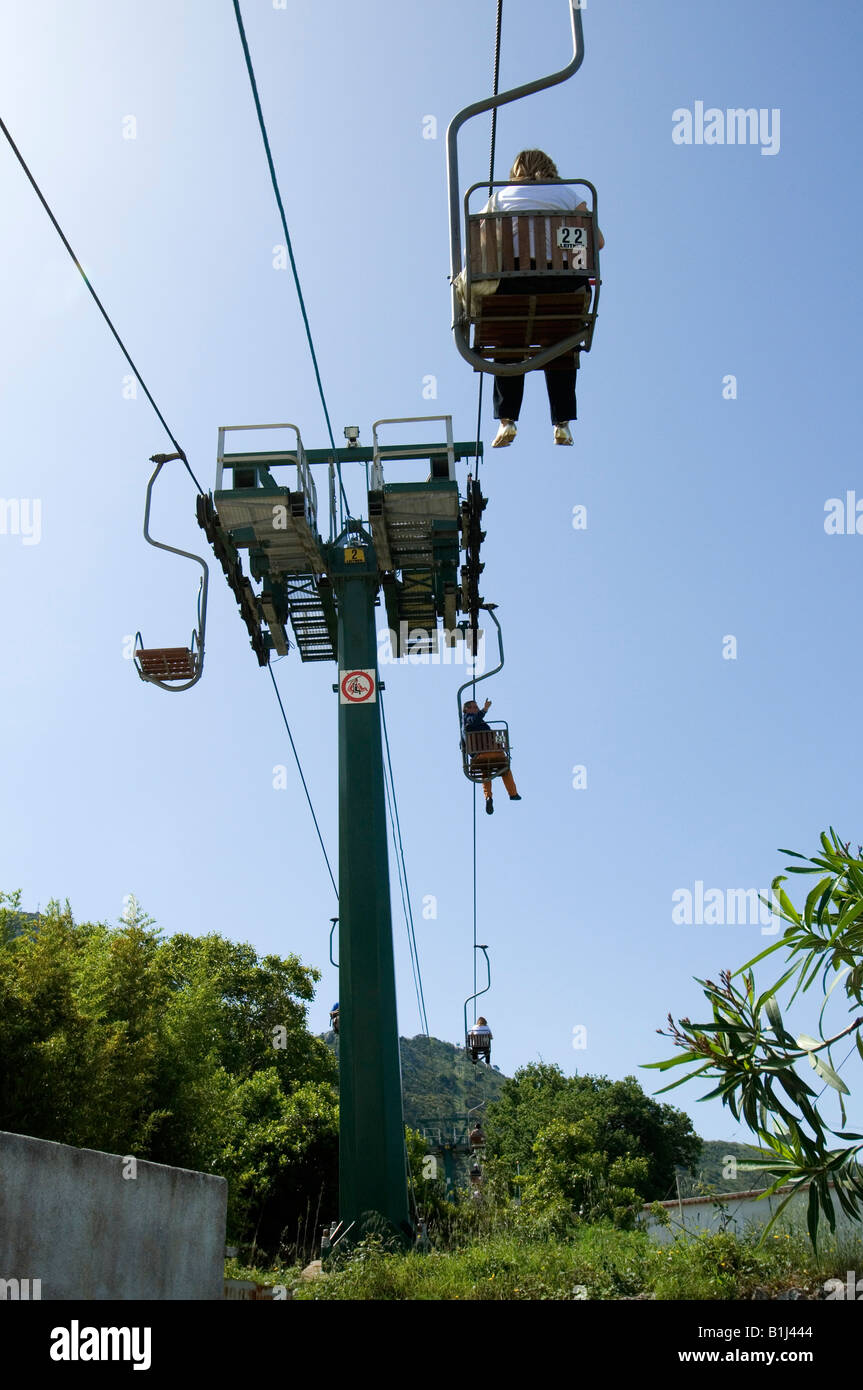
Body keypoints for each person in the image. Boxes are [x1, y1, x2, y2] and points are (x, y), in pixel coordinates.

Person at [482, 149, 605, 449]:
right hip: (562, 288)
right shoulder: (567, 193)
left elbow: (481, 243)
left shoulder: (501, 198)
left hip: (512, 288)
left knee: (507, 338)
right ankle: (561, 424)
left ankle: (507, 419)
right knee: (560, 342)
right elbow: (596, 241)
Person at [462, 697, 521, 815]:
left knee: (485, 771)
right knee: (505, 769)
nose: (477, 709)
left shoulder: (465, 727)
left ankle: (488, 797)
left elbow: (462, 745)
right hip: (493, 753)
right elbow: (477, 720)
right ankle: (513, 793)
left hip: (479, 757)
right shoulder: (469, 719)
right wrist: (485, 709)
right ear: (467, 709)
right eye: (475, 707)